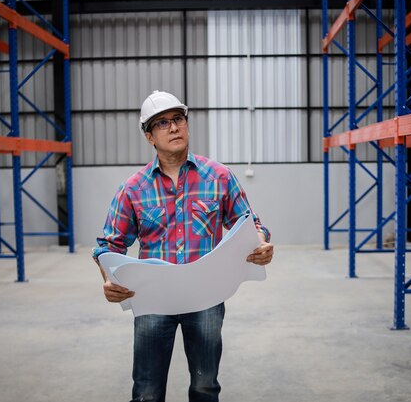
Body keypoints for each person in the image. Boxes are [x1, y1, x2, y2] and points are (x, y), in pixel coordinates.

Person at [92, 90, 274, 402]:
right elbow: (109, 244)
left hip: (206, 296)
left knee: (205, 387)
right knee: (147, 391)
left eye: (178, 119)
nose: (174, 127)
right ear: (150, 137)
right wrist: (109, 279)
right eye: (162, 123)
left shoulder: (218, 176)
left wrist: (261, 244)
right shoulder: (133, 189)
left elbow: (249, 222)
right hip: (152, 299)